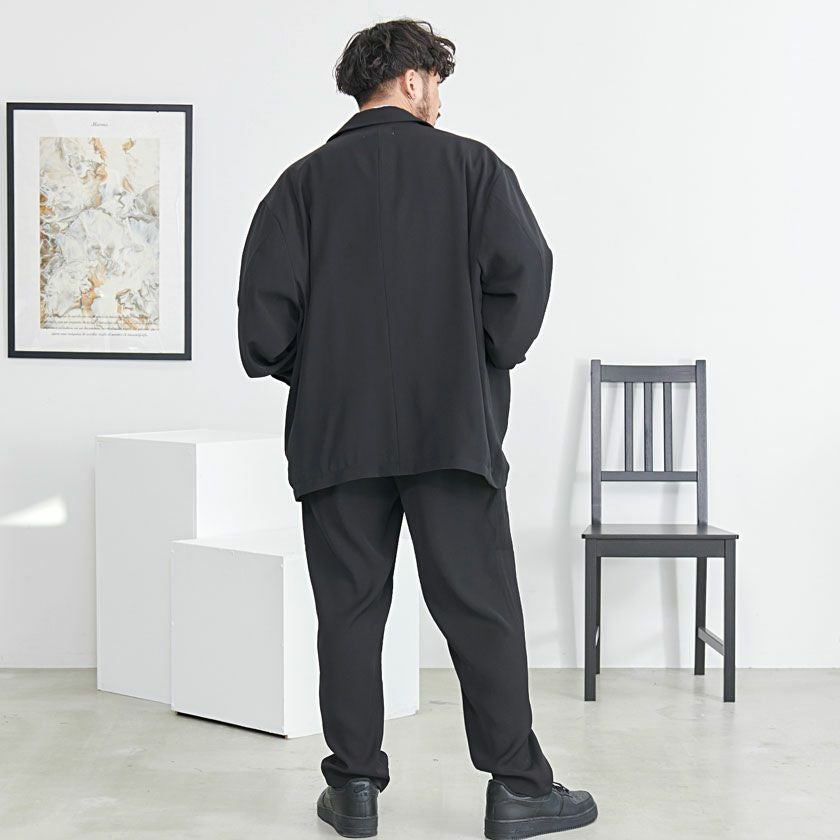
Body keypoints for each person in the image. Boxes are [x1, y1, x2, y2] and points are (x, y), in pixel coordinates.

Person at [236, 17, 598, 839]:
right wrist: (478, 359)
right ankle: (518, 788)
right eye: (436, 83)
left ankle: (354, 788)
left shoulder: (298, 186)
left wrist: (325, 373)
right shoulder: (473, 168)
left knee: (349, 613)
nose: (440, 101)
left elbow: (262, 330)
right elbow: (526, 275)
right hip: (451, 430)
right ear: (411, 79)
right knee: (480, 608)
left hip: (337, 437)